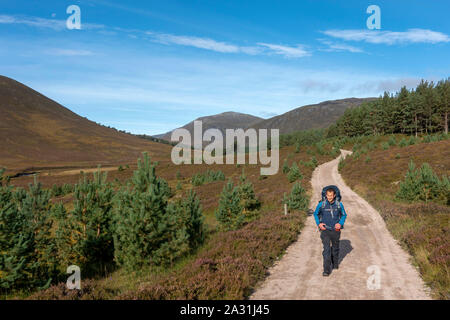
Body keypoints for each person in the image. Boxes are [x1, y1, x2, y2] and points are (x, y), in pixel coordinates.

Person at [313, 185, 347, 276]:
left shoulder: (339, 205)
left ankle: (335, 263)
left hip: (336, 230)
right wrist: (319, 224)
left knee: (335, 249)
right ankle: (326, 270)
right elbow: (315, 214)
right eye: (328, 195)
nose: (329, 197)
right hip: (325, 230)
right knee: (326, 250)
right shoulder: (322, 204)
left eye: (331, 195)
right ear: (325, 195)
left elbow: (344, 215)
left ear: (334, 195)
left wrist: (340, 223)